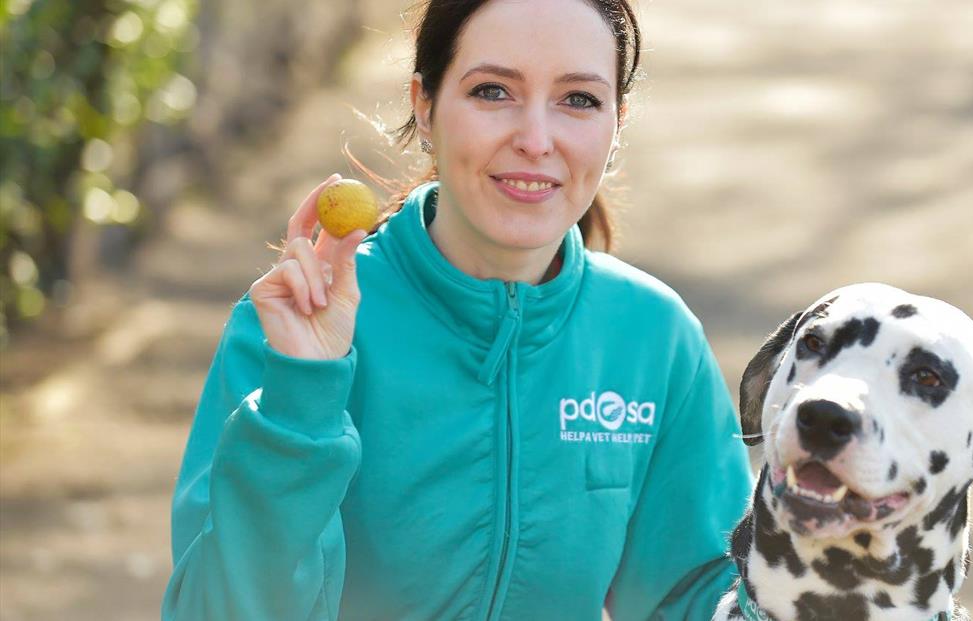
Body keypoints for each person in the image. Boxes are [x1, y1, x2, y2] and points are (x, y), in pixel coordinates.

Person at [161, 0, 752, 619]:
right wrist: (299, 405)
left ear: (617, 122)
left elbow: (700, 598)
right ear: (424, 103)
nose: (535, 140)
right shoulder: (292, 326)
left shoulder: (652, 336)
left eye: (579, 99)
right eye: (493, 91)